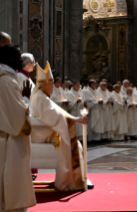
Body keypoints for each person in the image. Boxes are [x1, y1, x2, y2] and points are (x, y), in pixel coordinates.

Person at [30, 61, 89, 191]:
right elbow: (57, 117)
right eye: (51, 85)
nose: (53, 88)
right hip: (42, 133)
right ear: (44, 84)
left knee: (76, 145)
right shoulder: (41, 98)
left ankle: (80, 177)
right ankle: (68, 181)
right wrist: (76, 120)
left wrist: (75, 119)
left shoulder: (39, 95)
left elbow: (57, 114)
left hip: (42, 131)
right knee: (75, 146)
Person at [0, 44, 36, 212]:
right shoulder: (6, 80)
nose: (20, 59)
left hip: (7, 135)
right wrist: (26, 99)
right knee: (11, 180)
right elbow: (16, 116)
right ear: (8, 58)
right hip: (10, 139)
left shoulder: (6, 77)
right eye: (17, 56)